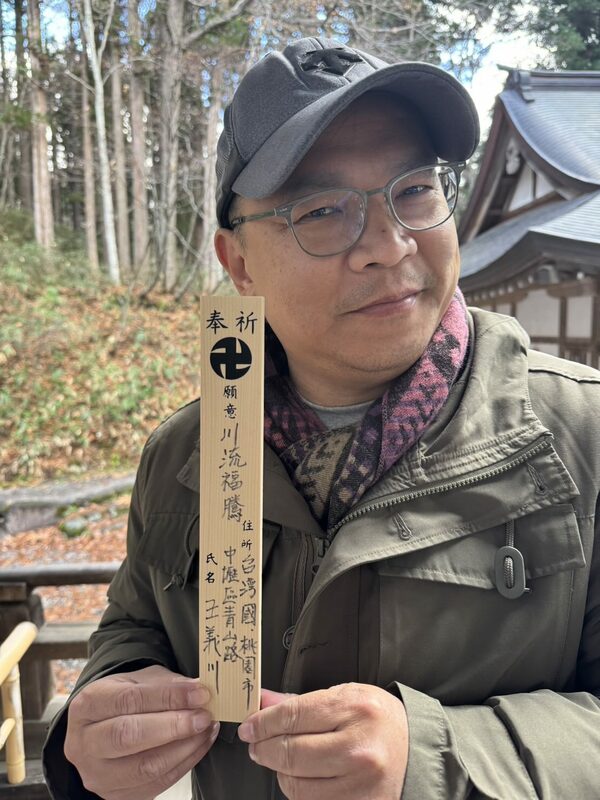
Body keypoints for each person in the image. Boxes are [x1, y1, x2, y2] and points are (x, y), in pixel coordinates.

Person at [43, 36, 600, 800]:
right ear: (237, 264)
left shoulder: (579, 434)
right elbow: (136, 626)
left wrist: (438, 757)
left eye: (414, 188)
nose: (388, 244)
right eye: (322, 209)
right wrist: (106, 711)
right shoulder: (186, 454)